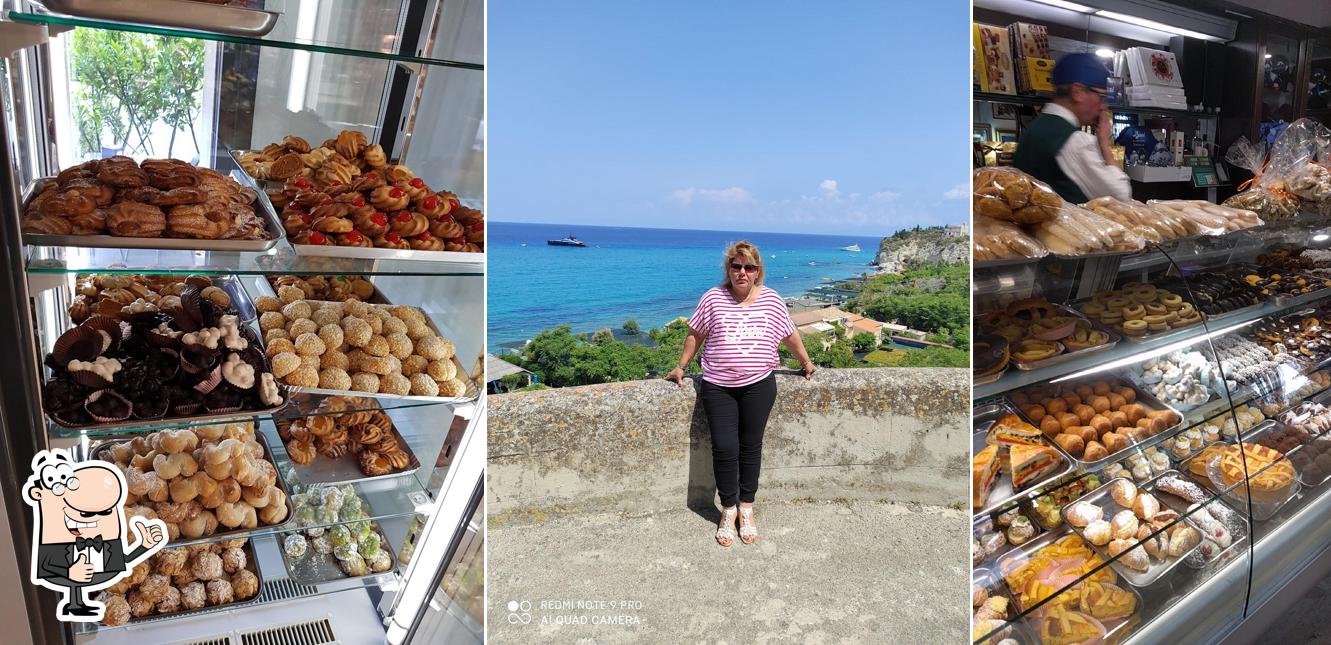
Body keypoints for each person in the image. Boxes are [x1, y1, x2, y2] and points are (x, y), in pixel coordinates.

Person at [666, 241, 815, 547]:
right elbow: (696, 334)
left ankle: (747, 508)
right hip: (718, 386)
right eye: (736, 266)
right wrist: (681, 366)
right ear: (728, 269)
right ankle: (728, 509)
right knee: (724, 448)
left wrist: (805, 361)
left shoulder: (772, 300)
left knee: (750, 447)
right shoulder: (713, 298)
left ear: (758, 271)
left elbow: (789, 335)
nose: (742, 272)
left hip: (759, 385)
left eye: (749, 267)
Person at [1013, 52, 1131, 203]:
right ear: (1078, 92)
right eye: (1101, 97)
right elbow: (1121, 194)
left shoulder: (1033, 128)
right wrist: (1105, 145)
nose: (1103, 106)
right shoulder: (1076, 141)